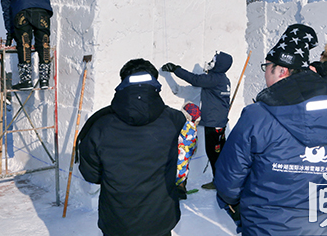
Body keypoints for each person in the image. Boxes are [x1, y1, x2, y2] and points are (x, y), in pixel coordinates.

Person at [214, 24, 327, 235]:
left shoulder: (257, 115)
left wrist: (235, 204)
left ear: (282, 70)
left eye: (266, 67)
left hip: (266, 225)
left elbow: (229, 178)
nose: (265, 74)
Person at [77, 58, 186, 236]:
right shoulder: (175, 120)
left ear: (123, 84)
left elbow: (91, 174)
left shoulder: (100, 125)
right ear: (155, 84)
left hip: (117, 220)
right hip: (160, 219)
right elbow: (184, 160)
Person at [161, 51, 233, 189]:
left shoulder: (215, 78)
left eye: (214, 60)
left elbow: (195, 80)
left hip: (214, 124)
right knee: (219, 153)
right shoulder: (223, 79)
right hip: (219, 122)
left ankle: (219, 182)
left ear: (219, 64)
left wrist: (176, 69)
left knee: (214, 154)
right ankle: (223, 180)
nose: (210, 62)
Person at [0, 0, 63, 90]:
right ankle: (44, 79)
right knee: (44, 42)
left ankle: (26, 80)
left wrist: (10, 33)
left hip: (20, 13)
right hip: (41, 11)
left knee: (24, 44)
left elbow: (6, 12)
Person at [176, 102, 201, 200]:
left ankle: (179, 191)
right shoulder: (194, 128)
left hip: (178, 156)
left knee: (177, 171)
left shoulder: (182, 125)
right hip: (186, 157)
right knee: (183, 170)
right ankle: (181, 187)